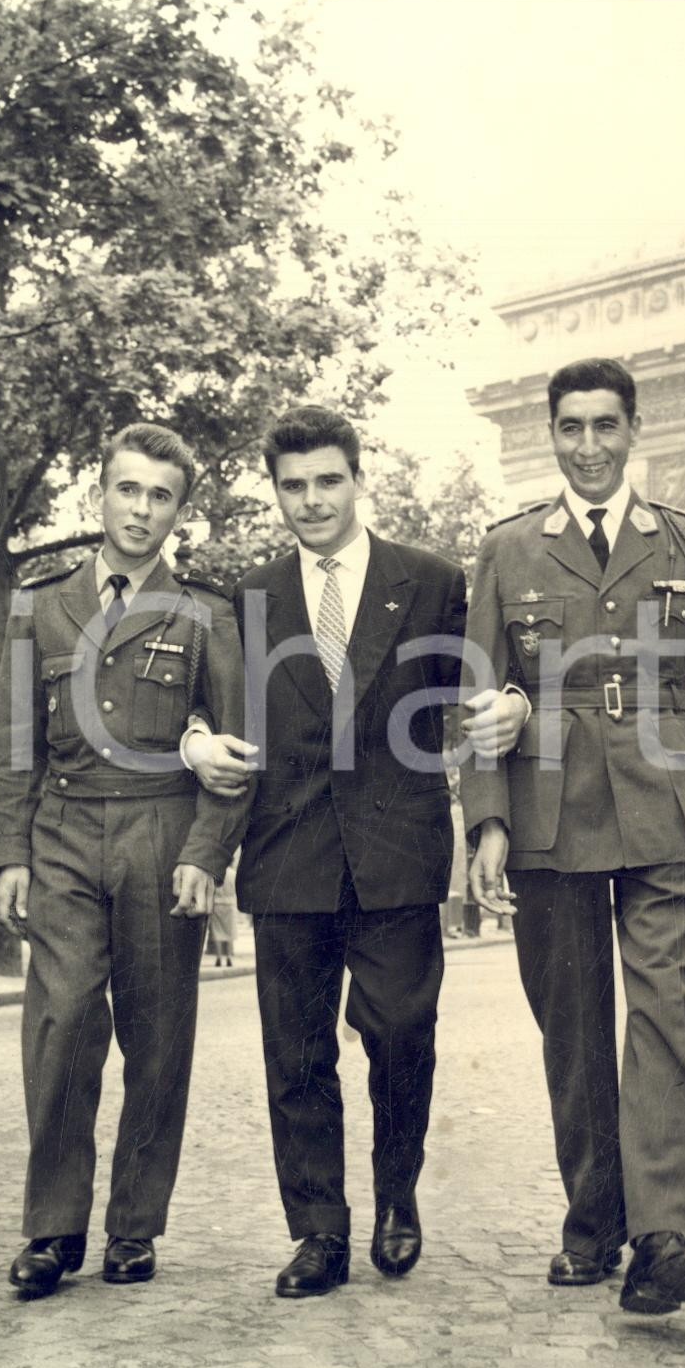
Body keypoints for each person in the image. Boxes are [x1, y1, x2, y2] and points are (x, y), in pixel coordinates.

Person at [461, 358, 685, 1315]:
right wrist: (486, 821)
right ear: (551, 435)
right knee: (574, 1026)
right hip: (549, 806)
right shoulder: (508, 550)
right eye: (571, 429)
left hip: (672, 806)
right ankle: (593, 1223)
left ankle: (668, 1234)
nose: (589, 447)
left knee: (668, 1010)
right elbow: (479, 698)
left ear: (635, 428)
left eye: (605, 426)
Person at [184, 404, 470, 1298]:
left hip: (397, 850)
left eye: (327, 481)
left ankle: (396, 1198)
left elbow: (469, 700)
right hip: (290, 851)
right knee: (296, 1055)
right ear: (275, 492)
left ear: (357, 476)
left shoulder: (430, 581)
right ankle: (317, 1233)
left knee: (400, 1034)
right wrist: (197, 738)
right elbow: (220, 715)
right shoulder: (249, 598)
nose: (311, 501)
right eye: (293, 485)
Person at [0, 424, 250, 1300]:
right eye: (127, 490)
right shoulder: (39, 604)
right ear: (99, 495)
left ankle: (135, 1225)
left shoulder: (206, 611)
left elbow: (237, 751)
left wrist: (207, 855)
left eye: (161, 496)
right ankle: (52, 1229)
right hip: (62, 834)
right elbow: (12, 743)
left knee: (157, 1034)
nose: (141, 510)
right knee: (60, 1028)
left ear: (180, 510)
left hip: (162, 833)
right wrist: (11, 854)